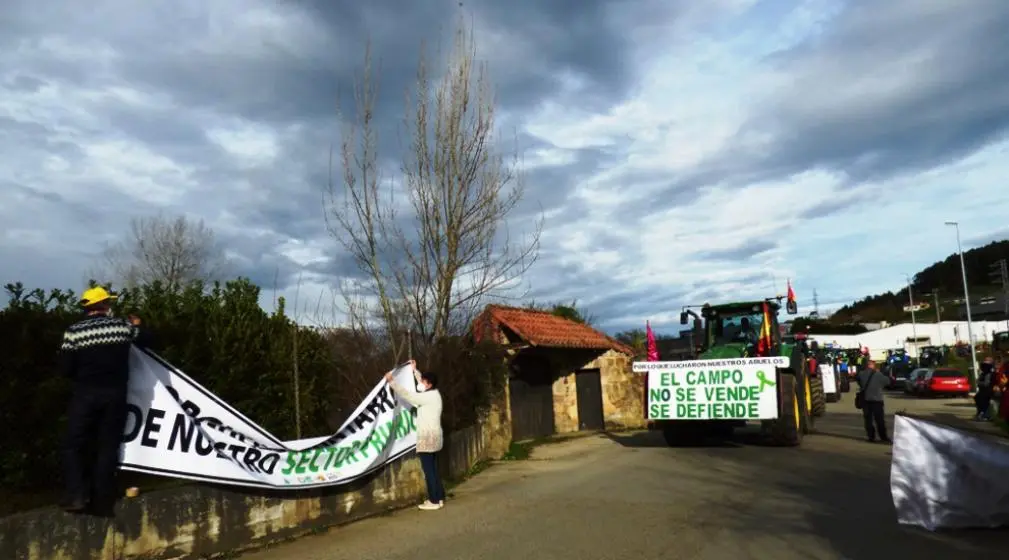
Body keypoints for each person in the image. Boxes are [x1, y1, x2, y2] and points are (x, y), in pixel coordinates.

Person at [59, 286, 153, 515]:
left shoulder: (73, 332)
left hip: (85, 394)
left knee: (74, 445)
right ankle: (103, 500)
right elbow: (148, 341)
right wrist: (138, 325)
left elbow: (65, 368)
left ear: (87, 307)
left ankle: (77, 496)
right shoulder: (122, 326)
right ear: (104, 305)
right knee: (108, 446)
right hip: (116, 394)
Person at [385, 367, 445, 511]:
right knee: (433, 469)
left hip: (427, 438)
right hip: (435, 437)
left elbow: (409, 396)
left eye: (424, 381)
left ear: (429, 384)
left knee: (428, 470)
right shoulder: (434, 394)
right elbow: (421, 387)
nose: (421, 383)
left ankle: (434, 501)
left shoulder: (427, 397)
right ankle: (440, 497)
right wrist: (415, 371)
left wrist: (392, 382)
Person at [856, 359, 890, 443]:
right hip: (877, 400)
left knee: (868, 420)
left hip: (865, 400)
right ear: (872, 365)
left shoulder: (861, 374)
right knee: (879, 420)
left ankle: (871, 437)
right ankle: (883, 437)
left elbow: (859, 382)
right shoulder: (878, 374)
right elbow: (887, 382)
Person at [974, 357, 995, 421]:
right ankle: (980, 413)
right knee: (977, 398)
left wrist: (979, 382)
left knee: (983, 400)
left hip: (987, 391)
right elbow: (978, 381)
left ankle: (984, 414)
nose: (984, 367)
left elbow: (986, 384)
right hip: (982, 391)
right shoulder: (983, 374)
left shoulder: (989, 374)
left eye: (986, 366)